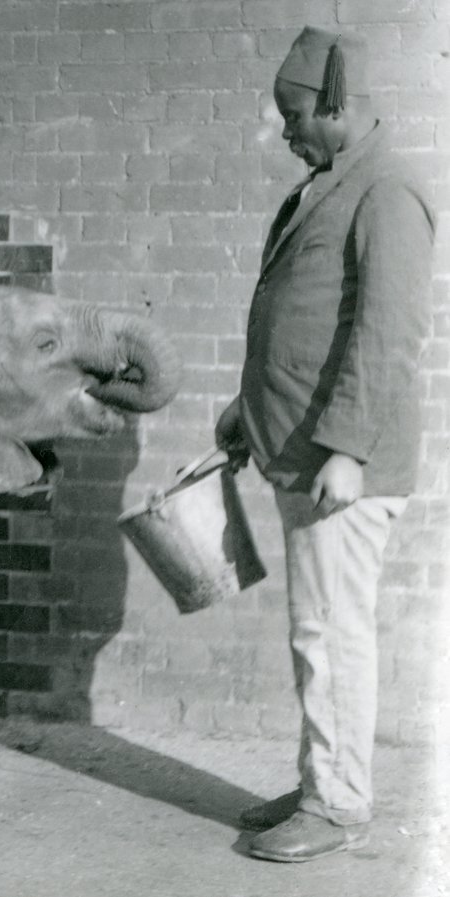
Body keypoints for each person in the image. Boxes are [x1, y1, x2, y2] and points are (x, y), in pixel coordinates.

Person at [215, 27, 436, 863]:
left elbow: (388, 334)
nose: (285, 131)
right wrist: (248, 408)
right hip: (304, 450)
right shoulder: (329, 184)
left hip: (342, 464)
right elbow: (298, 322)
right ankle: (322, 778)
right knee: (316, 626)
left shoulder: (387, 191)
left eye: (294, 114)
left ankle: (338, 802)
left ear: (339, 105)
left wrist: (345, 446)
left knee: (331, 631)